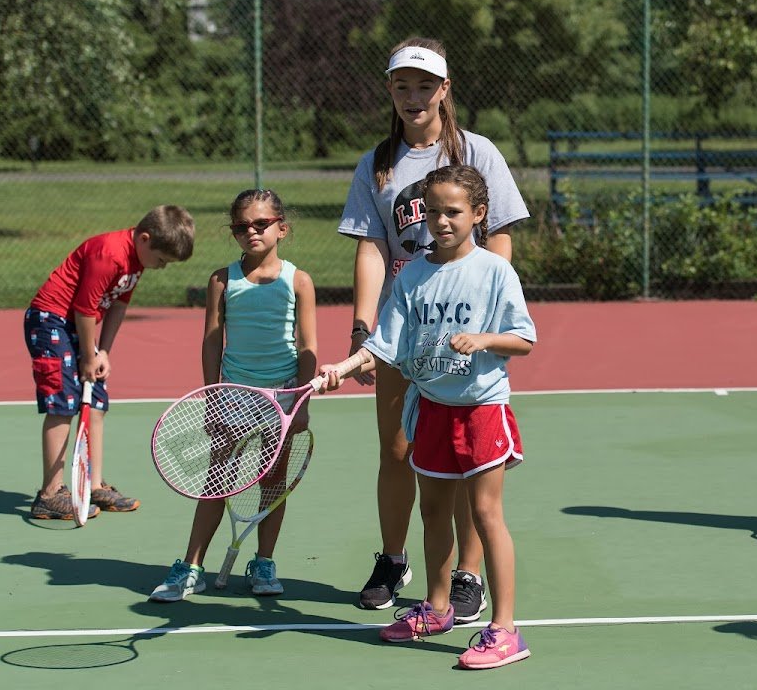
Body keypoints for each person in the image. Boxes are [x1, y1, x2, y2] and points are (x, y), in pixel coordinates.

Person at [337, 37, 529, 619]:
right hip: (404, 328)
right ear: (390, 90)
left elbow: (498, 236)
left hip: (462, 334)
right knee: (397, 450)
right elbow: (372, 249)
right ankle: (394, 560)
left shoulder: (477, 151)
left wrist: (484, 316)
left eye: (425, 85)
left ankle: (468, 574)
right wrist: (363, 330)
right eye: (402, 86)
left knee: (470, 459)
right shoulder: (378, 163)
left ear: (444, 90)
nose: (413, 96)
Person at [321, 164, 535, 669]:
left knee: (485, 515)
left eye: (454, 212)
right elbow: (385, 345)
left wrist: (484, 340)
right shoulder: (414, 274)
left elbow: (524, 339)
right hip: (432, 410)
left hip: (481, 408)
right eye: (433, 211)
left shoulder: (494, 271)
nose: (441, 221)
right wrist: (344, 366)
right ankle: (436, 609)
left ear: (478, 215)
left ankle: (504, 629)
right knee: (433, 513)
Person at [149, 189, 317, 602]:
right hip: (233, 395)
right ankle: (191, 567)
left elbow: (307, 346)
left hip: (282, 398)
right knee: (215, 482)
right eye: (241, 226)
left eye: (261, 224)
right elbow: (211, 341)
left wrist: (300, 403)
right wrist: (213, 395)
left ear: (282, 227)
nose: (251, 232)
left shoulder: (299, 281)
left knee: (273, 483)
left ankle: (263, 563)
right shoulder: (222, 281)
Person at [26, 205, 195, 520]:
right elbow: (85, 308)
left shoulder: (135, 261)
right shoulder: (111, 253)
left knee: (97, 400)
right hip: (51, 321)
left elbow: (118, 305)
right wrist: (88, 356)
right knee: (62, 402)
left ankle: (93, 483)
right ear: (144, 239)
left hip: (78, 326)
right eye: (162, 260)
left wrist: (103, 352)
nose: (162, 267)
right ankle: (50, 493)